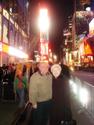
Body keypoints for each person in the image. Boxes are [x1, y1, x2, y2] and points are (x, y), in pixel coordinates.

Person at [29, 61, 52, 125]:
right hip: (39, 103)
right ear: (39, 67)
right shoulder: (34, 77)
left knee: (45, 118)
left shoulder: (50, 75)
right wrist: (33, 103)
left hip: (49, 101)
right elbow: (32, 91)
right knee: (38, 120)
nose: (45, 68)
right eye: (43, 67)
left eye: (46, 67)